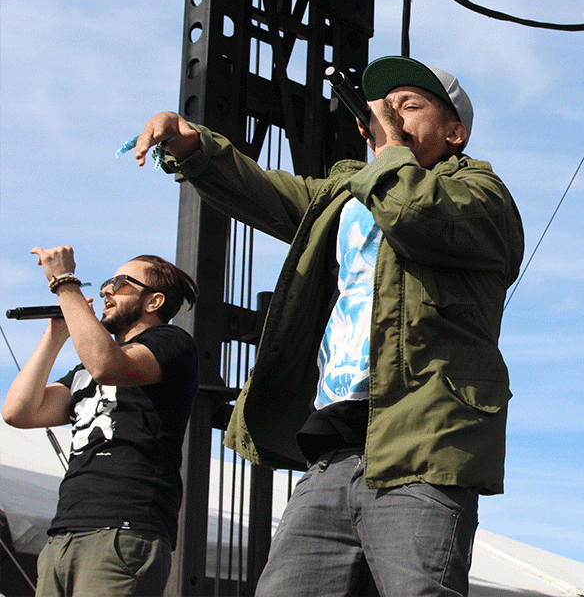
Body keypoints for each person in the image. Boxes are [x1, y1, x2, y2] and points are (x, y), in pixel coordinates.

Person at [133, 56, 524, 596]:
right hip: (331, 450)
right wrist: (194, 146)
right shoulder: (345, 194)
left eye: (409, 105)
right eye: (382, 107)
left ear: (454, 133)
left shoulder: (480, 194)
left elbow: (415, 212)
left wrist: (389, 149)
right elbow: (264, 191)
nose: (390, 114)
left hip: (422, 447)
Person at [3, 247, 200, 597]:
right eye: (108, 281)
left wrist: (65, 283)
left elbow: (107, 367)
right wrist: (56, 335)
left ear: (153, 301)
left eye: (120, 283)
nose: (107, 289)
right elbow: (19, 412)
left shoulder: (170, 343)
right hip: (65, 533)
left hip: (122, 532)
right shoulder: (84, 372)